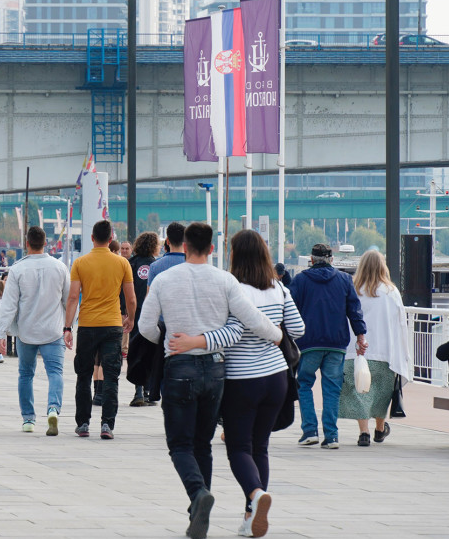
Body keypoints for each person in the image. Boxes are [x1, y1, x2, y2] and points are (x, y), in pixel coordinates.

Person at [138, 223, 283, 539]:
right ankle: (197, 515)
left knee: (180, 444)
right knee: (202, 443)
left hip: (179, 368)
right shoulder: (225, 280)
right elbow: (251, 318)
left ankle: (198, 495)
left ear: (183, 246)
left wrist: (168, 340)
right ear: (212, 248)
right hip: (216, 369)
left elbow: (145, 326)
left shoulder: (163, 280)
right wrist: (277, 335)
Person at [167, 229, 304, 539]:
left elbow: (231, 334)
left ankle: (256, 494)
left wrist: (194, 341)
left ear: (234, 256)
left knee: (239, 448)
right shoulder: (279, 288)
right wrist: (274, 327)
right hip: (277, 377)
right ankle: (250, 516)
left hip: (242, 379)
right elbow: (299, 328)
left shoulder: (234, 289)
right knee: (260, 447)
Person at [288, 243, 367, 449]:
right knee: (332, 388)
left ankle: (309, 431)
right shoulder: (344, 280)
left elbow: (289, 308)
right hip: (336, 342)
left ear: (311, 260)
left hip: (309, 342)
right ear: (332, 260)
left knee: (304, 384)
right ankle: (331, 436)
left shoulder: (300, 280)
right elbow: (354, 310)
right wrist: (360, 336)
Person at [64, 219, 136, 440]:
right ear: (111, 238)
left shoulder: (80, 263)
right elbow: (131, 298)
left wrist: (67, 327)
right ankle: (107, 424)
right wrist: (131, 318)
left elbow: (73, 297)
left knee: (84, 375)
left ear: (92, 238)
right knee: (112, 376)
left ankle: (83, 423)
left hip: (87, 325)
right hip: (113, 325)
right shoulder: (122, 263)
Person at [0, 226, 71, 435]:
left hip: (26, 331)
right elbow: (69, 300)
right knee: (55, 373)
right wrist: (69, 327)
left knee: (25, 374)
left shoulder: (17, 269)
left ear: (27, 243)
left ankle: (28, 419)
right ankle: (53, 408)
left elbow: (9, 304)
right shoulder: (60, 267)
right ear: (45, 243)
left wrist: (1, 333)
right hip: (53, 331)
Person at [338, 250, 413, 447]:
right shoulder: (391, 292)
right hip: (384, 353)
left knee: (359, 392)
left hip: (355, 351)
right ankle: (380, 428)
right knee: (381, 393)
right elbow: (400, 324)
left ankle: (364, 432)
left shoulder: (353, 289)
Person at [126, 231, 159, 407]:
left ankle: (138, 390)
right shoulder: (156, 265)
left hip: (135, 312)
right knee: (150, 351)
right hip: (152, 313)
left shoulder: (131, 263)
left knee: (135, 350)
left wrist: (125, 312)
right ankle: (148, 390)